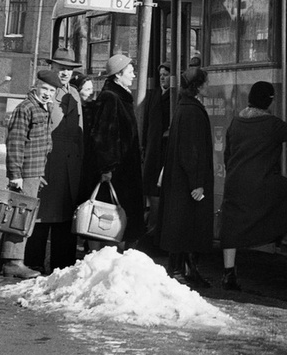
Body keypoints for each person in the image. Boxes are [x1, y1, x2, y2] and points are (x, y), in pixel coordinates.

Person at [218, 81, 287, 290]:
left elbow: (228, 155)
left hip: (234, 183)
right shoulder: (270, 124)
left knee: (232, 228)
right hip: (261, 182)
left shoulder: (236, 121)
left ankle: (229, 274)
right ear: (268, 101)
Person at [24, 51, 84, 272]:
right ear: (52, 67)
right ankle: (34, 263)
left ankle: (62, 266)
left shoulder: (75, 94)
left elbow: (80, 134)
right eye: (61, 68)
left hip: (70, 167)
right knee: (41, 217)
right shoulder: (44, 93)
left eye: (70, 69)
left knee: (65, 218)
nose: (66, 72)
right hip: (48, 164)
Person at [1, 70, 60, 278]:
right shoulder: (26, 108)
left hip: (33, 172)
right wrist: (15, 174)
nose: (47, 93)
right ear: (35, 86)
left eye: (52, 90)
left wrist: (39, 172)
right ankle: (13, 262)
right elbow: (15, 143)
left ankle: (11, 261)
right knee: (20, 216)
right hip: (24, 173)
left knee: (24, 216)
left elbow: (40, 144)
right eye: (44, 88)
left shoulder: (42, 108)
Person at [83, 53, 145, 249]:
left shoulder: (120, 96)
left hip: (122, 171)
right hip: (116, 173)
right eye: (130, 71)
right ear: (118, 75)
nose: (134, 75)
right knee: (108, 215)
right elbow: (104, 135)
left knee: (118, 216)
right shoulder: (111, 98)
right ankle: (101, 257)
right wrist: (107, 168)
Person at [158, 66, 213, 287]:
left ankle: (182, 269)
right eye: (205, 83)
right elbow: (190, 151)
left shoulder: (184, 107)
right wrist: (197, 183)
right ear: (198, 86)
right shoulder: (192, 111)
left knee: (182, 225)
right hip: (189, 182)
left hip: (181, 180)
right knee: (189, 226)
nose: (208, 86)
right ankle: (183, 270)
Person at [140, 61, 172, 254]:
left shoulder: (173, 97)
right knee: (152, 193)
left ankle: (156, 235)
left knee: (159, 194)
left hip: (164, 152)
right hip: (153, 151)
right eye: (161, 74)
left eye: (166, 74)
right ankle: (152, 233)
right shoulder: (153, 96)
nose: (162, 77)